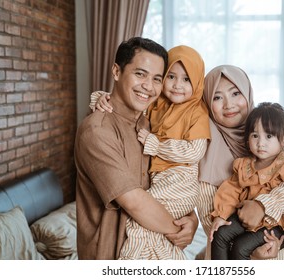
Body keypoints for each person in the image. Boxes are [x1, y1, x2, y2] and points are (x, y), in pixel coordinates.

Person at [74, 37, 198, 260]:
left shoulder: (149, 124)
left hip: (152, 250)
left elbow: (171, 177)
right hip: (110, 255)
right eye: (140, 74)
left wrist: (191, 218)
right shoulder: (97, 132)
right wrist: (179, 230)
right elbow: (135, 203)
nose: (149, 87)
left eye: (157, 79)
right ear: (116, 71)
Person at [197, 65, 284, 259]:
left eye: (235, 93)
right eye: (217, 97)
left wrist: (263, 205)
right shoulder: (203, 149)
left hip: (280, 248)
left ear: (247, 93)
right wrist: (251, 253)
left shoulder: (277, 132)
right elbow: (211, 224)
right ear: (207, 102)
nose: (228, 104)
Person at [209, 102, 284, 260]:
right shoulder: (244, 165)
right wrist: (221, 215)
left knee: (240, 248)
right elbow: (231, 189)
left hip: (278, 224)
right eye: (255, 136)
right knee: (219, 235)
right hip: (247, 217)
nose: (261, 143)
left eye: (269, 136)